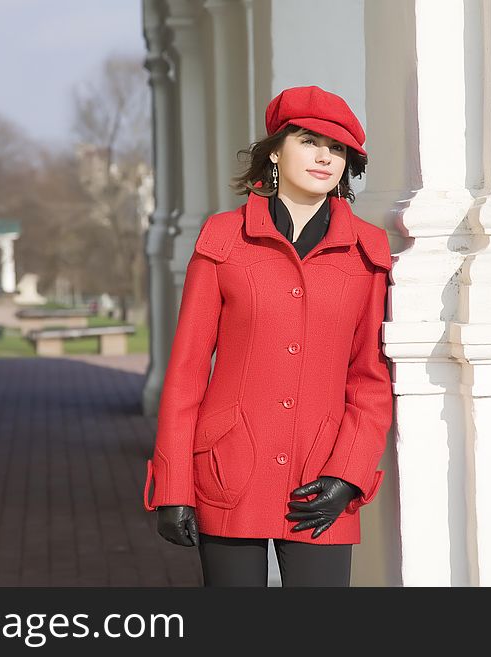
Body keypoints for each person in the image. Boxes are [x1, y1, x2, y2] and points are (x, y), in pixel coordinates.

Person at [142, 85, 393, 587]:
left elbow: (370, 377)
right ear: (275, 150)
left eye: (337, 148)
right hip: (228, 468)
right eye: (308, 141)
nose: (324, 156)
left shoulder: (369, 250)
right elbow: (188, 369)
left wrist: (349, 474)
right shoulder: (222, 238)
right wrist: (173, 485)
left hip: (321, 476)